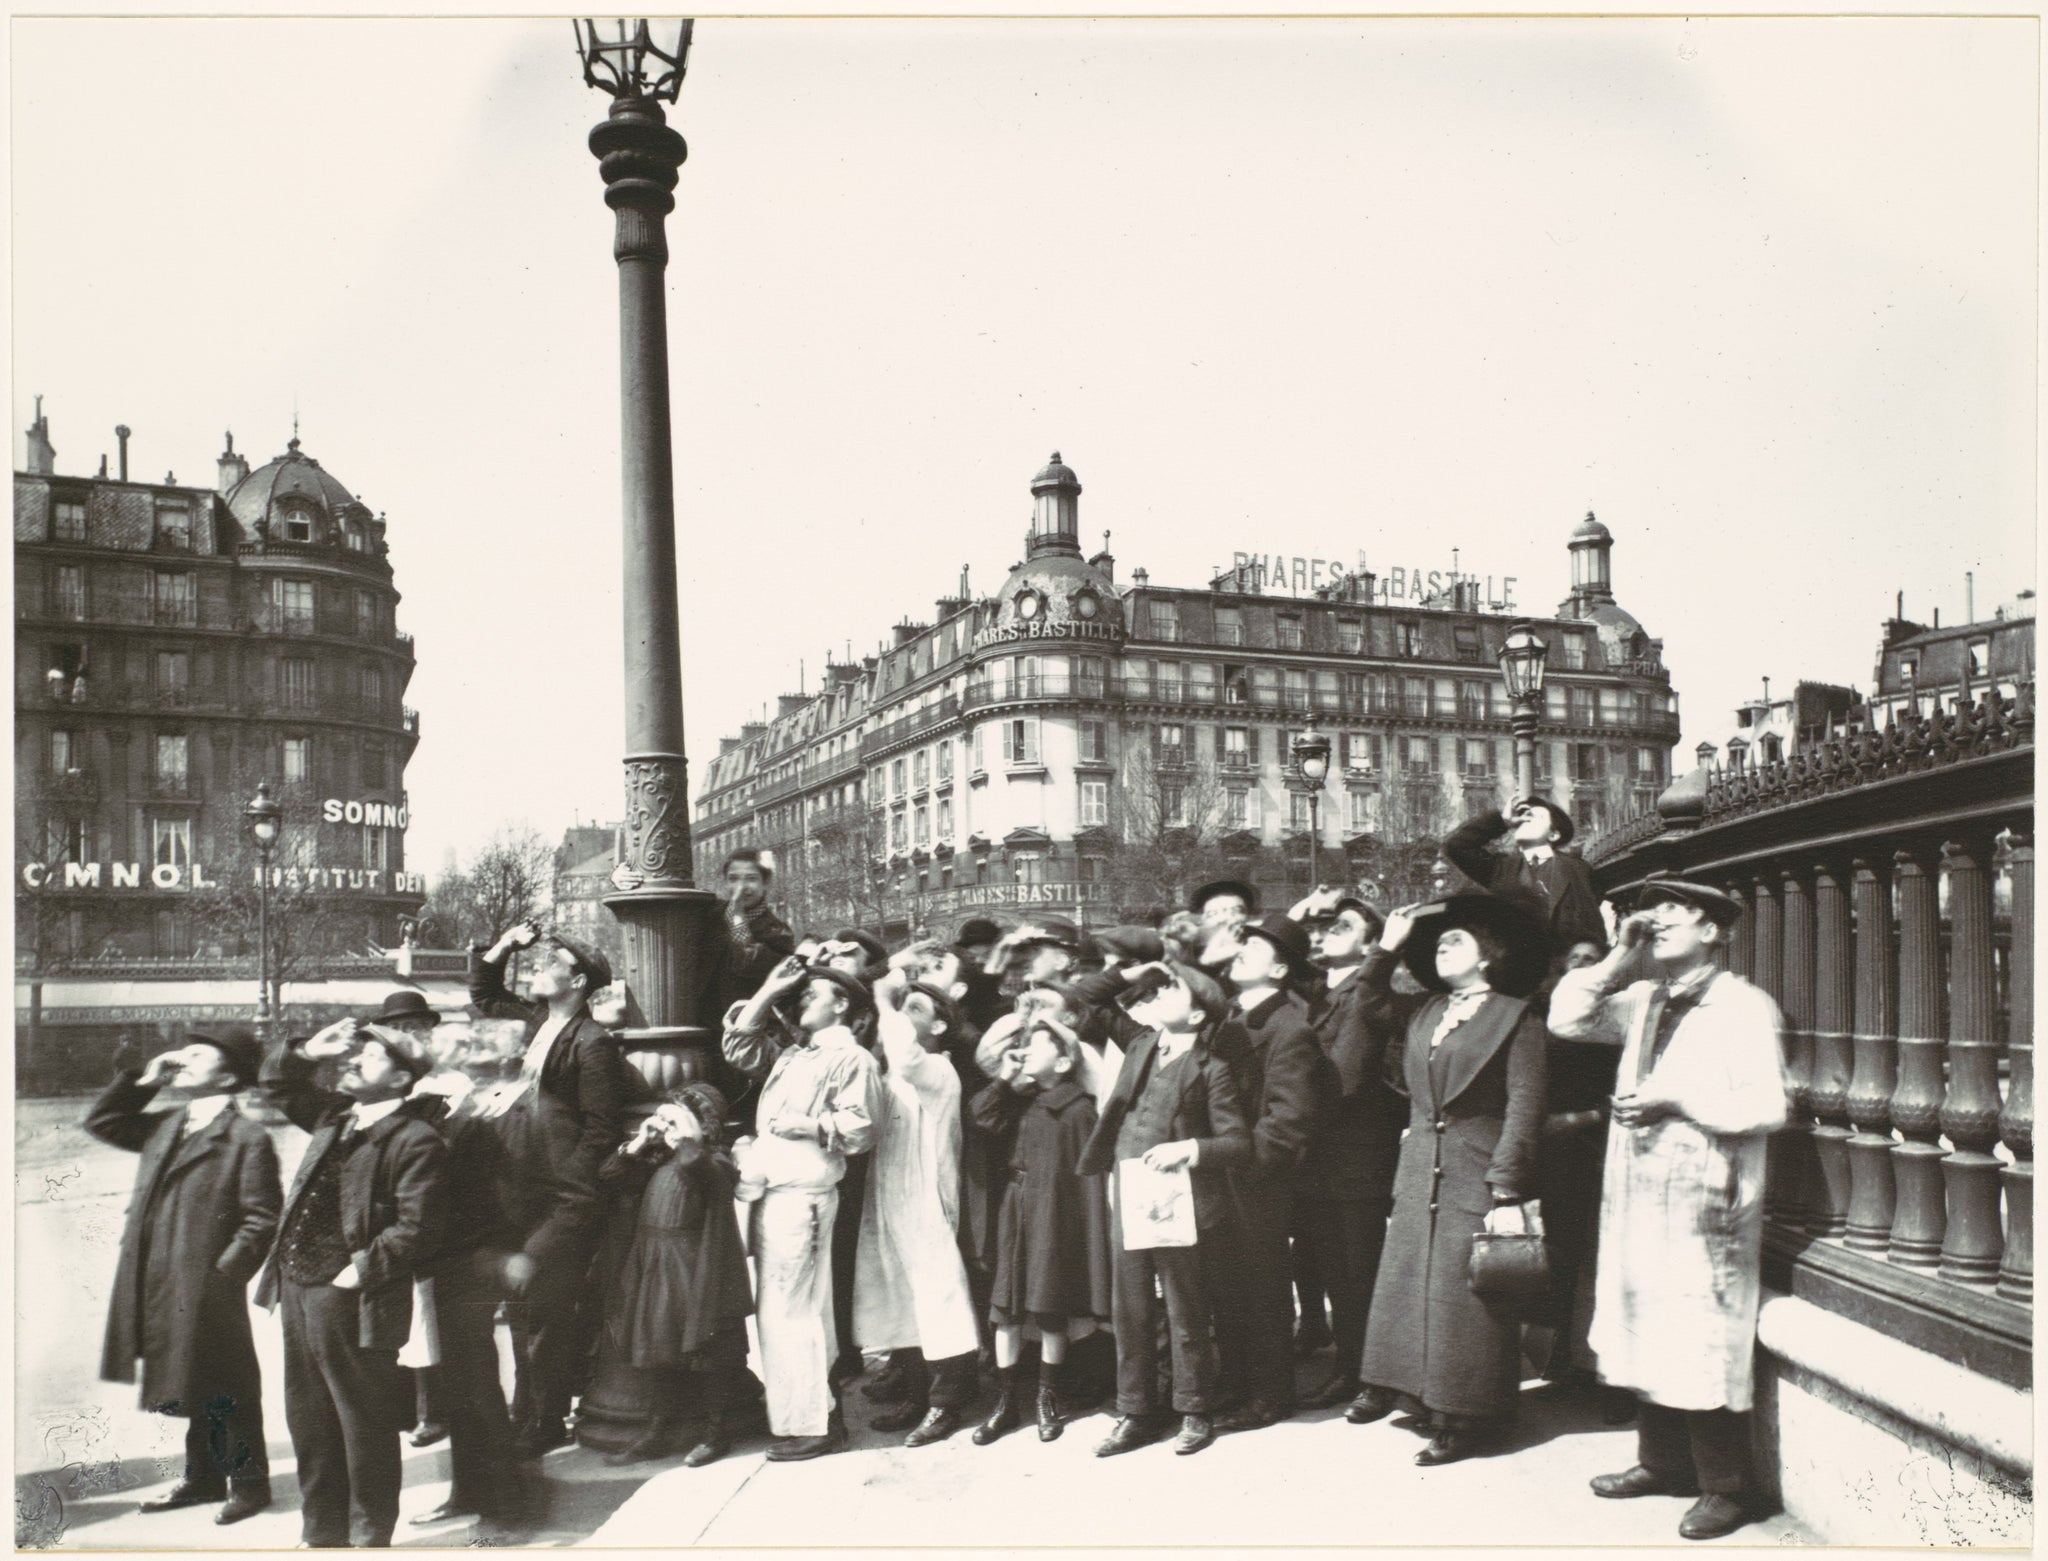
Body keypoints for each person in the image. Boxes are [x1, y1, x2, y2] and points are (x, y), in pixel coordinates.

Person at [1549, 873, 1788, 1542]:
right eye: (1650, 910)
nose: (1658, 919)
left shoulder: (1744, 1007)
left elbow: (1768, 1106)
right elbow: (1566, 1016)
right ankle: (1661, 1462)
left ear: (1713, 929)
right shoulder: (1644, 998)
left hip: (1705, 1198)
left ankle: (1727, 1485)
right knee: (1642, 1320)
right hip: (1641, 1191)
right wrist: (1620, 956)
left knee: (1699, 1334)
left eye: (1675, 910)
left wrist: (1678, 1101)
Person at [1349, 892, 1551, 1467]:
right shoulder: (1426, 1012)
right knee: (1414, 1286)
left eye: (1455, 940)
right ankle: (1421, 1395)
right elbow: (1367, 1004)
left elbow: (1524, 1105)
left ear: (1489, 957)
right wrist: (1384, 950)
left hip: (1476, 1170)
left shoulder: (1517, 1017)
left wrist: (1506, 1185)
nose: (1442, 946)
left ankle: (1468, 1415)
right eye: (1439, 941)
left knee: (1468, 1298)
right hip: (1418, 1170)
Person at [259, 1023, 448, 1550]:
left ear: (402, 1077)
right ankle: (321, 1532)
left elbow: (417, 1226)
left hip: (354, 1296)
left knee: (362, 1423)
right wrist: (308, 1051)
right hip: (298, 1287)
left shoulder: (415, 1138)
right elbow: (278, 1085)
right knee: (309, 1418)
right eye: (357, 1050)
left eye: (372, 1054)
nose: (356, 1059)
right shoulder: (334, 1117)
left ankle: (369, 1538)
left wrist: (358, 1270)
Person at [89, 1027, 280, 1527]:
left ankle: (250, 1484)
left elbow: (261, 1218)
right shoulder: (170, 1123)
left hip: (206, 1281)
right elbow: (104, 1121)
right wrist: (143, 1081)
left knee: (228, 1379)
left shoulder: (246, 1137)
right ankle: (204, 1478)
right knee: (191, 1372)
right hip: (158, 1273)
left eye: (200, 1054)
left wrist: (223, 1275)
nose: (184, 1059)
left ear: (230, 1075)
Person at [467, 920, 630, 1456]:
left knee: (544, 1311)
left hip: (560, 1200)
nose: (538, 968)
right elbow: (486, 994)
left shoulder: (592, 1043)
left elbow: (601, 1131)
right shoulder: (536, 1022)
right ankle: (528, 1415)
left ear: (578, 981)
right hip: (519, 1191)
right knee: (524, 1307)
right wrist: (503, 945)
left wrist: (568, 1194)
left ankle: (541, 1421)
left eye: (549, 963)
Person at [1078, 962, 1251, 1459]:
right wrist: (1133, 968)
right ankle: (1136, 1411)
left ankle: (1194, 1409)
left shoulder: (1211, 1068)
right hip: (1129, 1192)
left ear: (1198, 1015)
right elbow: (1089, 997)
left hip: (1181, 1203)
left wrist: (1190, 1149)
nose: (1158, 992)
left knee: (1184, 1306)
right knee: (1130, 1307)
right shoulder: (1141, 1043)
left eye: (1172, 989)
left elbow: (1237, 1142)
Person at [722, 959, 881, 1460]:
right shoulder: (795, 1053)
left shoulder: (850, 1057)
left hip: (804, 1198)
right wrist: (771, 987)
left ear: (843, 1005)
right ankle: (805, 1414)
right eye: (804, 991)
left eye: (817, 991)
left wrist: (810, 1127)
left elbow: (862, 1128)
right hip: (779, 1196)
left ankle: (815, 1423)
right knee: (786, 1312)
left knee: (796, 1314)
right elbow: (739, 1047)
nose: (805, 996)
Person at [1210, 913, 1334, 1432]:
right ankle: (1236, 1385)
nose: (1240, 951)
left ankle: (1267, 1395)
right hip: (1218, 1173)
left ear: (1280, 969)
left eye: (1255, 947)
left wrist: (1246, 1165)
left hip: (1255, 1180)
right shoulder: (1230, 1017)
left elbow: (1288, 1121)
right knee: (1227, 1286)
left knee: (1260, 1287)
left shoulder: (1289, 1028)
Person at [854, 958, 984, 1447]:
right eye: (901, 1007)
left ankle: (948, 1399)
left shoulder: (939, 1070)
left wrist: (885, 1001)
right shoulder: (892, 1074)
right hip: (887, 1191)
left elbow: (907, 1057)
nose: (902, 1016)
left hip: (925, 1195)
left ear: (940, 1025)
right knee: (897, 1292)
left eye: (916, 1008)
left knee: (935, 1294)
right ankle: (915, 1392)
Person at [966, 1018, 1114, 1444]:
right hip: (1016, 1212)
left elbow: (1087, 1182)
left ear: (1065, 1061)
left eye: (1036, 1046)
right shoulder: (1017, 1100)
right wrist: (1005, 1079)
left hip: (1054, 1217)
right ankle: (1006, 1402)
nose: (1025, 1051)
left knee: (1051, 1310)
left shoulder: (1080, 1111)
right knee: (1007, 1311)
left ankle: (1045, 1399)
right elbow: (979, 1117)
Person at [595, 1083, 755, 1469]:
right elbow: (609, 1176)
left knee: (705, 1351)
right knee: (657, 1348)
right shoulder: (657, 1161)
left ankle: (715, 1433)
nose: (664, 1128)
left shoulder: (712, 1162)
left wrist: (688, 1139)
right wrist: (639, 1143)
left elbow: (703, 1173)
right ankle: (656, 1430)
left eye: (674, 1121)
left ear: (701, 1126)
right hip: (654, 1263)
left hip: (692, 1268)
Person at [1290, 893, 1407, 1410]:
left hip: (1356, 1152)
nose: (1325, 932)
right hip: (1317, 1151)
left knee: (1358, 1268)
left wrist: (1384, 953)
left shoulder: (1369, 988)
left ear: (1370, 941)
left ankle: (1370, 1377)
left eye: (1341, 925)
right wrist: (1293, 918)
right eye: (1321, 926)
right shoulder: (1317, 989)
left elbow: (1350, 1072)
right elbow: (1275, 960)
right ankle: (1351, 1365)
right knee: (1329, 1264)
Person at [1444, 796, 1606, 953]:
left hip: (1567, 968)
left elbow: (1591, 921)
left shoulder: (1577, 869)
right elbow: (1456, 846)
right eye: (1522, 815)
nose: (1524, 819)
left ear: (1553, 834)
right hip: (1519, 969)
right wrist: (1503, 821)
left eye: (1534, 816)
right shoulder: (1500, 868)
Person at [720, 848, 797, 1011]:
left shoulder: (778, 932)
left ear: (765, 883)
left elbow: (746, 963)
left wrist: (738, 916)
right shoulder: (713, 915)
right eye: (733, 879)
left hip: (743, 1022)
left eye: (751, 879)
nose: (741, 887)